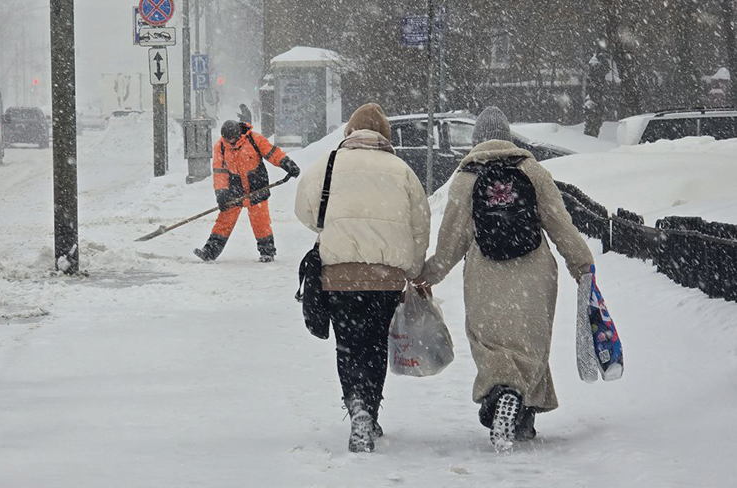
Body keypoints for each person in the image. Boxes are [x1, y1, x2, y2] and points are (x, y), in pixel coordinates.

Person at [413, 106, 593, 451]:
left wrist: (431, 273)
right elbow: (559, 222)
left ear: (477, 140)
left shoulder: (466, 176)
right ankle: (523, 414)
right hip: (535, 271)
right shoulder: (533, 171)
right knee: (530, 343)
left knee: (490, 340)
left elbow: (453, 238)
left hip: (486, 273)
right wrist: (581, 262)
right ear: (508, 137)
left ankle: (502, 393)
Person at [295, 103, 431, 453]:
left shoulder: (327, 165)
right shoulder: (401, 170)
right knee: (374, 345)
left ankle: (356, 406)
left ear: (349, 132)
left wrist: (334, 228)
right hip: (385, 279)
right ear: (385, 136)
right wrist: (413, 270)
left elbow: (303, 208)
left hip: (339, 276)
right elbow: (420, 224)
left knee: (349, 345)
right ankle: (370, 409)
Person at [195, 120, 300, 263]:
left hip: (256, 184)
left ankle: (267, 252)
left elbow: (273, 153)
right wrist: (221, 194)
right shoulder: (220, 147)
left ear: (238, 135)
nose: (230, 143)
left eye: (232, 140)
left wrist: (287, 164)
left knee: (260, 221)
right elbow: (220, 172)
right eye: (227, 140)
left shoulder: (254, 139)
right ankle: (209, 252)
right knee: (224, 221)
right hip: (234, 188)